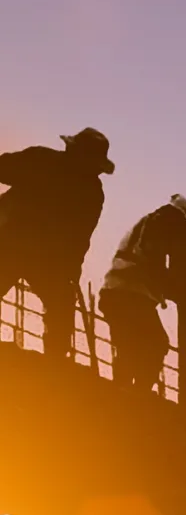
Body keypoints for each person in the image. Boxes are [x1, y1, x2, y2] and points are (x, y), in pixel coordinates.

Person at [0, 128, 114, 357]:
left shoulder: (91, 190)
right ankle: (55, 361)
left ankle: (55, 362)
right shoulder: (43, 160)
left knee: (61, 306)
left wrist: (72, 268)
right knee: (60, 305)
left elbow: (81, 236)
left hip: (42, 256)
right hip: (13, 243)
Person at [99, 195, 186, 391]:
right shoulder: (164, 220)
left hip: (116, 293)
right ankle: (137, 394)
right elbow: (154, 268)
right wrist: (181, 291)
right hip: (129, 294)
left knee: (129, 348)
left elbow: (152, 263)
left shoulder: (149, 223)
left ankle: (124, 393)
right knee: (156, 344)